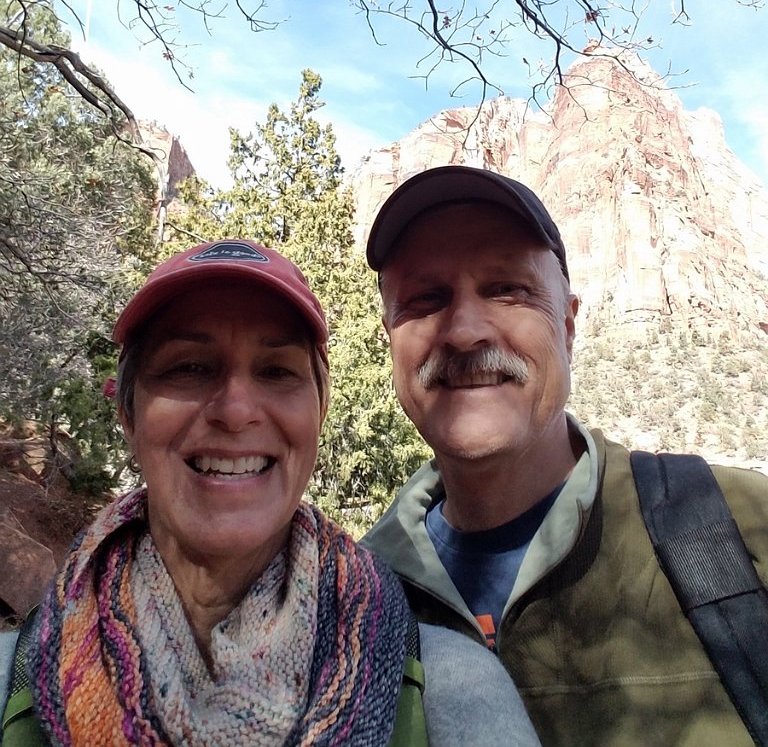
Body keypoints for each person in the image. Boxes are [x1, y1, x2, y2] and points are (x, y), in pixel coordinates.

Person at [2, 238, 542, 747]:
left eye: (277, 371)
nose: (236, 410)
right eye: (189, 367)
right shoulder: (12, 680)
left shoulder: (449, 690)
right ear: (128, 411)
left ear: (320, 409)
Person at [361, 165, 768, 747]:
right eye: (426, 300)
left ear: (569, 326)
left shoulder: (739, 527)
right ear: (390, 343)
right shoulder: (352, 599)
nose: (465, 330)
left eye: (507, 290)